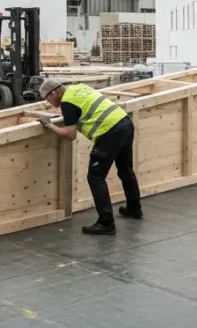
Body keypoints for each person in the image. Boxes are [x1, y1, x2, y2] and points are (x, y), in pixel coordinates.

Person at [36, 78, 142, 235]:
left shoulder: (67, 103)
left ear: (53, 93)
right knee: (125, 169)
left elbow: (71, 135)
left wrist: (49, 125)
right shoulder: (78, 87)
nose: (48, 103)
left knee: (95, 176)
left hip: (109, 132)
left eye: (47, 99)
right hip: (124, 122)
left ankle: (106, 223)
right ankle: (134, 209)